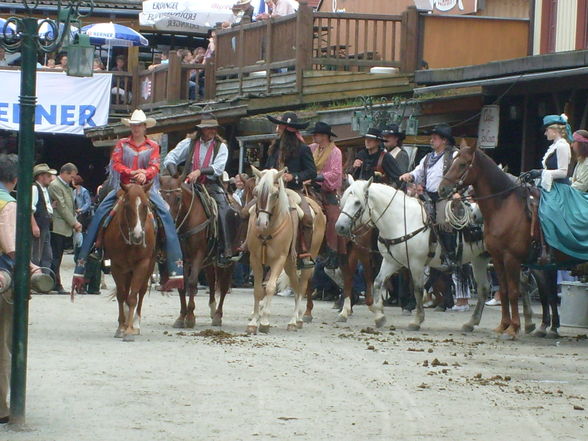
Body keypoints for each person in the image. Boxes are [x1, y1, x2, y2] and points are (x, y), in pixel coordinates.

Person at [72, 110, 184, 291]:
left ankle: (171, 261)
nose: (136, 128)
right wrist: (131, 173)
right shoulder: (121, 144)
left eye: (139, 125)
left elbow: (155, 165)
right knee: (100, 212)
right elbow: (115, 164)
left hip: (147, 189)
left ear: (144, 127)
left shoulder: (153, 145)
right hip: (122, 188)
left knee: (166, 214)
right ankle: (91, 254)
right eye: (133, 125)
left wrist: (144, 174)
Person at [1, 154, 51, 424]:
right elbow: (11, 248)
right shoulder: (8, 205)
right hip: (3, 276)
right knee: (3, 344)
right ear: (15, 179)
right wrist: (32, 267)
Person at [164, 116, 241, 265]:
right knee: (170, 205)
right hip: (188, 185)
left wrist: (200, 172)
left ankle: (225, 249)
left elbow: (218, 168)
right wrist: (174, 174)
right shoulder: (189, 143)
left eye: (214, 128)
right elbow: (170, 157)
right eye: (208, 128)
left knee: (224, 209)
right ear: (201, 130)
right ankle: (163, 249)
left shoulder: (221, 146)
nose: (212, 131)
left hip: (211, 185)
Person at [400, 124, 460, 270]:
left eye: (435, 137)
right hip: (427, 196)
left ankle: (449, 256)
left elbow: (462, 174)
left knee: (442, 221)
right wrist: (410, 175)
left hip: (446, 196)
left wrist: (458, 191)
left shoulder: (454, 155)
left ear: (444, 140)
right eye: (431, 137)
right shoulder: (428, 157)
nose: (431, 140)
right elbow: (418, 172)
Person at [265, 112, 317, 268]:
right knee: (247, 210)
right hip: (272, 191)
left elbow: (311, 172)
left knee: (307, 217)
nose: (276, 129)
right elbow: (267, 167)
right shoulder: (273, 149)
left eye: (279, 126)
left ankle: (304, 252)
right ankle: (245, 245)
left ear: (287, 130)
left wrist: (293, 176)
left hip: (292, 190)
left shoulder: (303, 149)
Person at [308, 121, 344, 269]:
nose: (314, 137)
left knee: (334, 219)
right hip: (309, 187)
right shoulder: (311, 149)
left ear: (325, 136)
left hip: (326, 190)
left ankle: (333, 250)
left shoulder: (336, 152)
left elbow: (336, 173)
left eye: (317, 134)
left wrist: (319, 176)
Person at [48, 163, 81, 294]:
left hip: (63, 226)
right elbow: (62, 207)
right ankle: (55, 283)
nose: (72, 179)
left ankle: (54, 282)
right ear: (65, 173)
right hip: (58, 226)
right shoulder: (56, 186)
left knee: (58, 256)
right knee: (55, 257)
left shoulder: (65, 186)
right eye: (71, 176)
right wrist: (74, 223)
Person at [31, 163, 56, 272]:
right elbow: (29, 209)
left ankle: (43, 281)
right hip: (39, 225)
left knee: (47, 255)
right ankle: (33, 281)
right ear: (41, 176)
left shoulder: (44, 189)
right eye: (48, 175)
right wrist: (34, 225)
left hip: (45, 226)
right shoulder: (34, 188)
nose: (51, 178)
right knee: (36, 256)